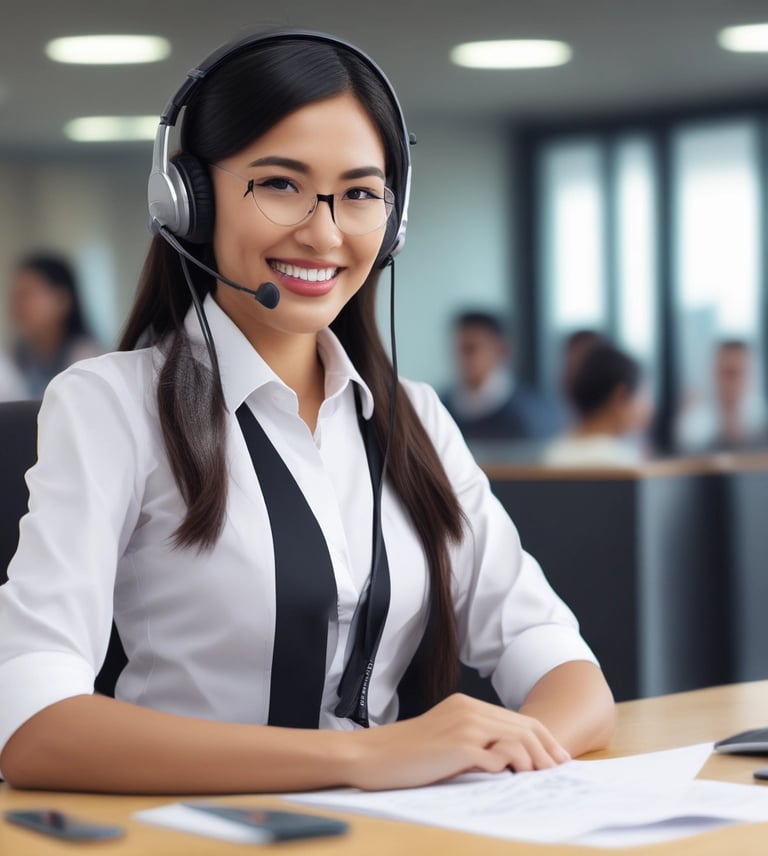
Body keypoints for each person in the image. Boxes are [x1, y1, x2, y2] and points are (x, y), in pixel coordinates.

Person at [0, 29, 614, 795]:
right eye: (281, 184)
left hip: (389, 834)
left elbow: (563, 664)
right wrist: (366, 760)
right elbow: (31, 724)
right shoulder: (110, 407)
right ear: (187, 197)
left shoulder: (414, 418)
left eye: (359, 193)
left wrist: (494, 758)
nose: (323, 233)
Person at [441, 310, 562, 442]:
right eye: (458, 349)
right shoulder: (441, 408)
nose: (462, 359)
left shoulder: (530, 414)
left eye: (471, 349)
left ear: (501, 350)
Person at [6, 252, 102, 398]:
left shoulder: (87, 360)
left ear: (62, 300)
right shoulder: (12, 357)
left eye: (27, 295)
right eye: (15, 296)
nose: (17, 306)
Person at [542, 343, 652, 467]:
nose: (649, 409)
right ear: (620, 396)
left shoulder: (555, 452)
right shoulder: (623, 462)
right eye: (643, 397)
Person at [675, 339, 767, 454]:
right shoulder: (695, 422)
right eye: (727, 373)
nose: (733, 383)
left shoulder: (762, 421)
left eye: (740, 373)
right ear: (712, 373)